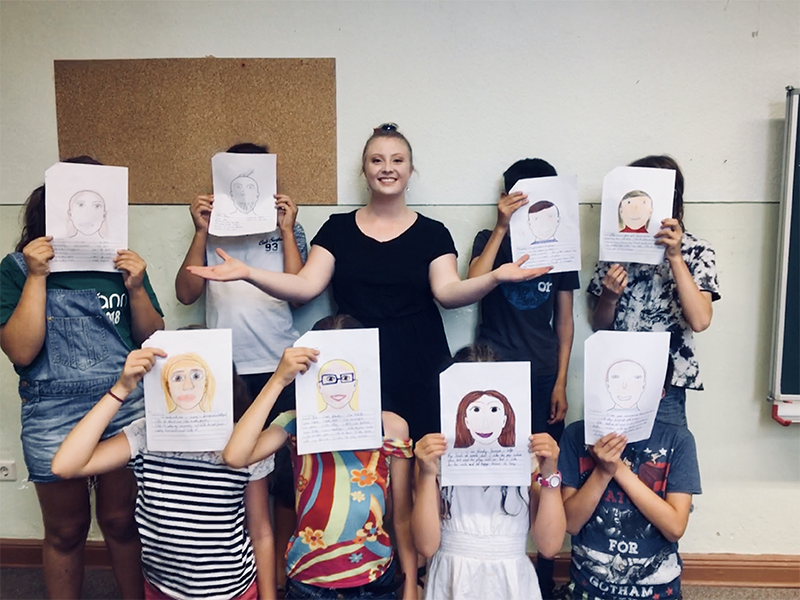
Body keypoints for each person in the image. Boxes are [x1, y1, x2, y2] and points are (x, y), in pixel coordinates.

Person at [188, 124, 549, 441]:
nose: (387, 168)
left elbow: (449, 293)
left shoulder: (432, 233)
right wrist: (248, 273)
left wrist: (496, 276)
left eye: (397, 160)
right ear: (364, 169)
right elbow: (305, 287)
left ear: (410, 170)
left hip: (419, 357)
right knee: (358, 458)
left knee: (418, 452)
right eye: (377, 160)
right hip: (351, 358)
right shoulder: (337, 228)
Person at [0, 156, 164, 600]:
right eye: (79, 203)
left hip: (124, 402)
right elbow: (21, 349)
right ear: (56, 209)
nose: (89, 214)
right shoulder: (17, 269)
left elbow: (151, 337)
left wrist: (136, 287)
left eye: (99, 204)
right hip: (51, 409)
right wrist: (37, 276)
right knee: (67, 530)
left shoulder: (121, 264)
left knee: (122, 522)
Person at [51, 347, 276, 600]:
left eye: (197, 375)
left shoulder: (246, 444)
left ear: (216, 381)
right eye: (177, 377)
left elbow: (261, 532)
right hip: (162, 589)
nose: (187, 385)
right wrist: (122, 388)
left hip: (231, 591)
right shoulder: (147, 435)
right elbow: (65, 465)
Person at [222, 314, 418, 600]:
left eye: (346, 375)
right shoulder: (294, 421)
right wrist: (278, 380)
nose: (337, 386)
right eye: (327, 377)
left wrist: (410, 583)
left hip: (375, 579)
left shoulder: (390, 426)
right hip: (307, 579)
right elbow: (235, 456)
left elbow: (401, 516)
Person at [467, 157, 577, 599]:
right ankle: (491, 554)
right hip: (492, 369)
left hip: (543, 370)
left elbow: (565, 321)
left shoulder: (563, 242)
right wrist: (500, 227)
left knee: (543, 469)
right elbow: (472, 281)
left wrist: (561, 382)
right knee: (493, 464)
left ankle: (546, 567)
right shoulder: (489, 237)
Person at [411, 342, 566, 600]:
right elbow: (426, 545)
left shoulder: (528, 458)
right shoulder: (434, 458)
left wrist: (549, 473)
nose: (485, 420)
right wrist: (426, 475)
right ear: (460, 411)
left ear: (506, 413)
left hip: (511, 582)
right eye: (475, 408)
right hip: (451, 580)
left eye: (494, 408)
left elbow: (549, 546)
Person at [175, 141, 306, 419]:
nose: (245, 191)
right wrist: (201, 232)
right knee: (232, 450)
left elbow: (298, 294)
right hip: (225, 362)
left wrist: (288, 231)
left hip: (277, 358)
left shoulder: (286, 228)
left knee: (280, 448)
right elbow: (186, 294)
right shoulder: (212, 230)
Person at [588, 155, 721, 427]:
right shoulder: (615, 250)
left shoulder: (697, 251)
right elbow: (599, 324)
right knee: (611, 459)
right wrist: (610, 298)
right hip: (616, 374)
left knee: (661, 464)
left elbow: (700, 320)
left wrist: (675, 257)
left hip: (667, 384)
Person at [558, 360, 701, 600]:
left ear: (660, 394)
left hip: (657, 592)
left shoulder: (678, 440)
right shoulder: (575, 435)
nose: (625, 387)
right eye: (616, 378)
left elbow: (675, 527)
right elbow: (571, 523)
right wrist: (602, 473)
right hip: (590, 590)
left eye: (636, 379)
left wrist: (617, 469)